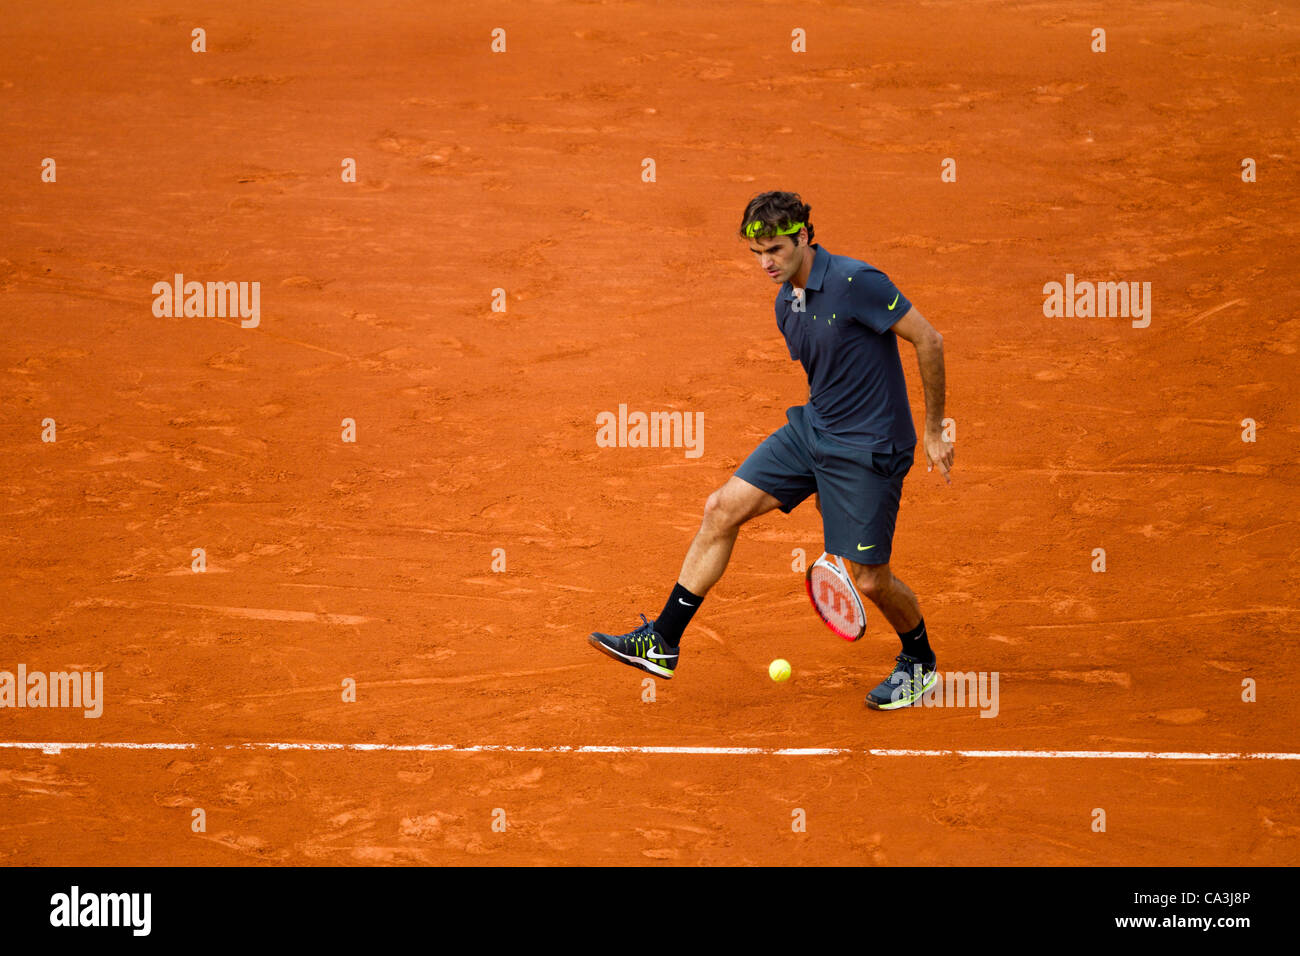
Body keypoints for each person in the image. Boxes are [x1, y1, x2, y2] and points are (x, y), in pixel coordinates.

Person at [589, 191, 953, 709]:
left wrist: (935, 430)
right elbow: (831, 378)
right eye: (757, 254)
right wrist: (821, 473)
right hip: (815, 433)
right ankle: (663, 642)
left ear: (805, 236)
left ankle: (918, 661)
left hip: (871, 449)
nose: (767, 264)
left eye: (777, 249)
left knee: (870, 580)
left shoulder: (857, 283)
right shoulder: (786, 303)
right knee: (720, 508)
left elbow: (930, 340)